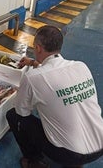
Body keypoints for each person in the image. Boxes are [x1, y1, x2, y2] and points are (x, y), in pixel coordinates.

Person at [6, 25, 103, 168]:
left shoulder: (32, 78)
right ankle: (76, 162)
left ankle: (34, 161)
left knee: (14, 116)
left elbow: (22, 112)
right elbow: (54, 74)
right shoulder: (81, 66)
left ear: (38, 48)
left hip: (69, 153)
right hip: (100, 144)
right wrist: (33, 63)